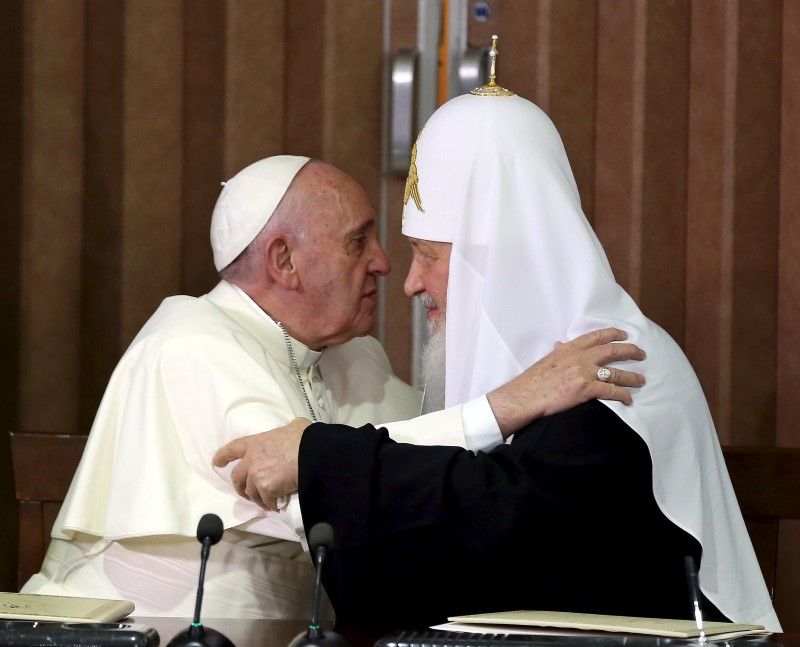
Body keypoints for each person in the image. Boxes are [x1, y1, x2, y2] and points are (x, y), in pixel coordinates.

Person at [214, 62, 781, 632]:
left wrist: (317, 457)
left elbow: (489, 521)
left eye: (429, 255)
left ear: (499, 258)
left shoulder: (613, 365)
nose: (409, 282)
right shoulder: (553, 369)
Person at [22, 154, 645, 618]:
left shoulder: (352, 358)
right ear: (283, 262)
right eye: (358, 241)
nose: (383, 262)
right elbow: (309, 485)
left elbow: (413, 478)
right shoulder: (191, 344)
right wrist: (510, 403)